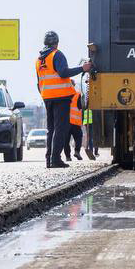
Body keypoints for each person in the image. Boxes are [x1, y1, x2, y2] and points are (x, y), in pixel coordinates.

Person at [36, 31, 90, 168]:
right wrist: (82, 68)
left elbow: (39, 82)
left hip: (47, 98)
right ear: (56, 43)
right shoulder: (57, 54)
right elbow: (63, 72)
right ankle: (55, 159)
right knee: (60, 129)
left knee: (51, 129)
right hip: (61, 98)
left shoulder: (39, 60)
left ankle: (49, 160)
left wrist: (45, 95)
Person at [68, 82, 84, 161]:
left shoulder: (62, 95)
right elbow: (81, 108)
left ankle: (67, 156)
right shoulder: (77, 95)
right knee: (78, 137)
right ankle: (77, 151)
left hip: (66, 122)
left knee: (66, 140)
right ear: (74, 85)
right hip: (75, 122)